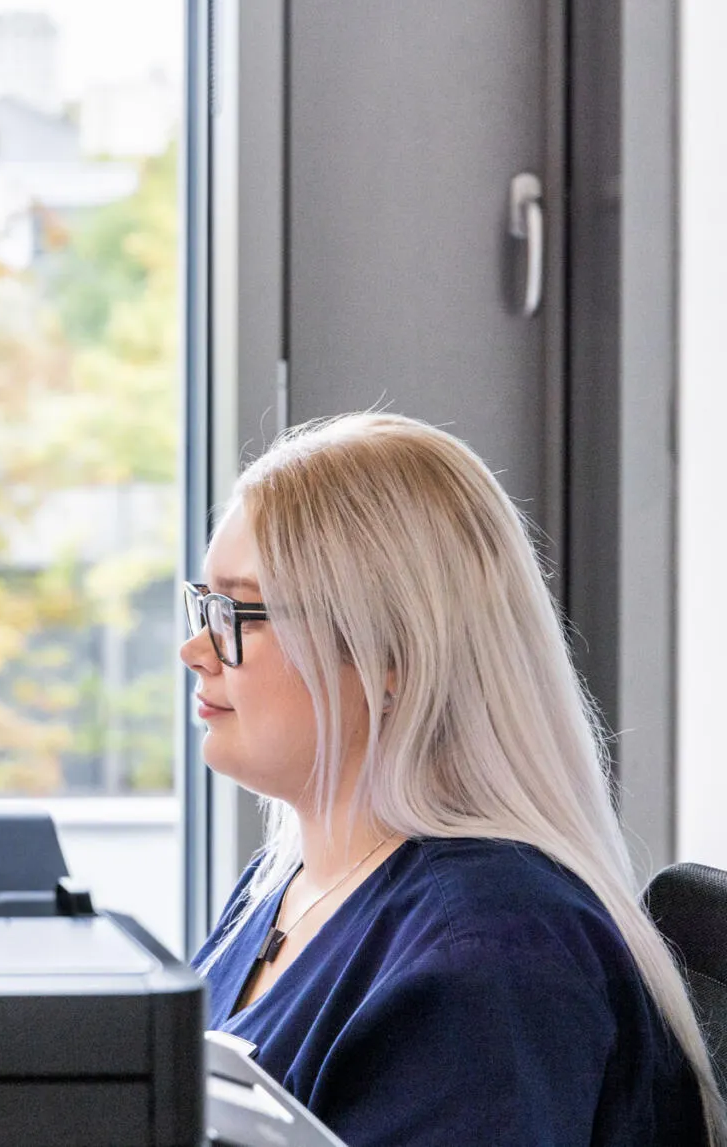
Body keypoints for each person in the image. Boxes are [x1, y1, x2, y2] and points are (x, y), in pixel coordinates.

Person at [183, 413, 719, 1147]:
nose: (195, 648)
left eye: (234, 611)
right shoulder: (285, 885)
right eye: (201, 602)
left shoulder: (489, 958)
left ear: (390, 651)